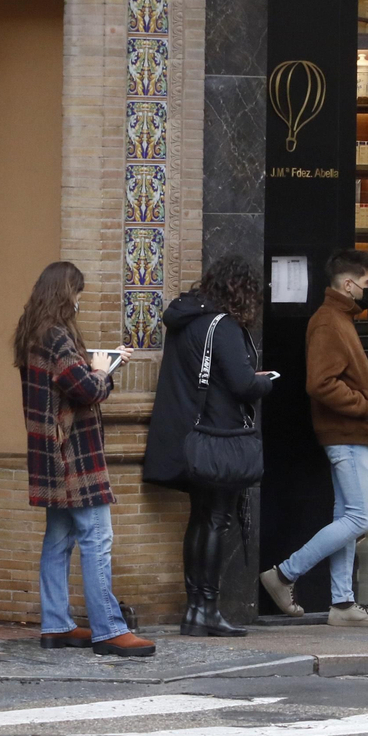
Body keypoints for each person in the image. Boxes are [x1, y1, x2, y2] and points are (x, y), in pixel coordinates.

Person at [13, 261, 153, 657]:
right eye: (77, 294)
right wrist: (104, 371)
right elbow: (85, 388)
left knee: (58, 540)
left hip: (48, 453)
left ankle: (56, 623)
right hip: (74, 454)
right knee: (97, 538)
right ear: (65, 294)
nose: (78, 302)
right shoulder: (57, 336)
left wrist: (95, 365)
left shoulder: (32, 332)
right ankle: (109, 629)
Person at [143, 255, 276, 636]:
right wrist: (266, 382)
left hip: (191, 438)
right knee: (217, 520)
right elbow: (242, 384)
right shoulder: (224, 327)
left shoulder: (185, 321)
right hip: (221, 438)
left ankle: (194, 610)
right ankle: (207, 608)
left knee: (200, 519)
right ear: (242, 290)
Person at [260, 249, 368, 628]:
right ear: (348, 284)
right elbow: (320, 383)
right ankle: (284, 574)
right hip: (347, 433)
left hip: (350, 434)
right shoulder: (329, 322)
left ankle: (343, 603)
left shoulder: (337, 319)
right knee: (359, 518)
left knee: (348, 516)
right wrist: (366, 407)